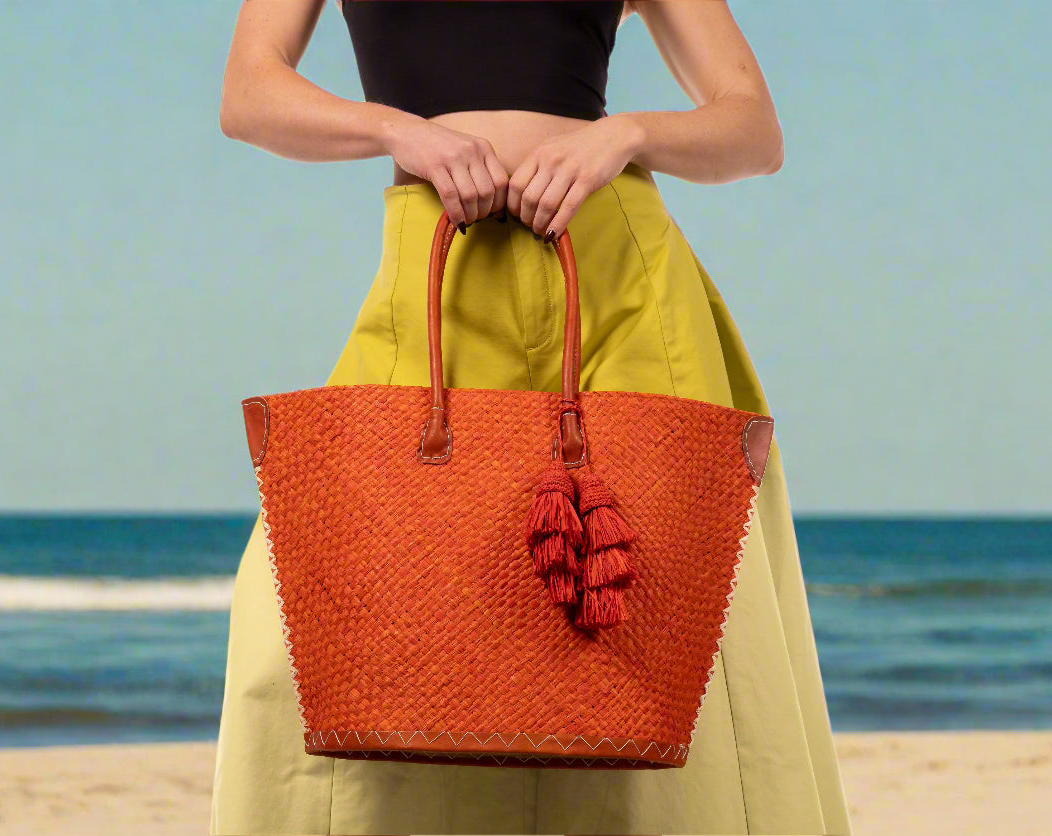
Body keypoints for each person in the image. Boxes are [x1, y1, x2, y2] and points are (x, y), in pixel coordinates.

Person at [209, 1, 853, 833]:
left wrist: (623, 137)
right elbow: (249, 93)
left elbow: (753, 131)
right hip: (438, 260)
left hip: (617, 268)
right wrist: (403, 134)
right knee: (294, 621)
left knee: (669, 620)